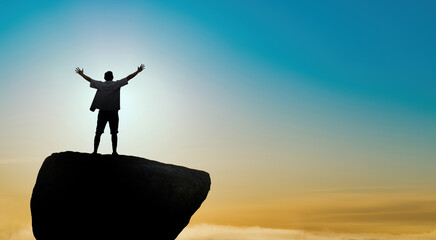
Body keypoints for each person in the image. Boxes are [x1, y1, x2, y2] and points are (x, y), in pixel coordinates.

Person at [75, 64, 145, 155]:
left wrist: (81, 74)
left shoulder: (101, 84)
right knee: (114, 133)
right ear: (112, 77)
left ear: (104, 77)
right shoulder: (116, 84)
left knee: (98, 133)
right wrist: (137, 72)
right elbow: (128, 78)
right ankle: (114, 152)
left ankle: (95, 151)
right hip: (113, 112)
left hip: (103, 112)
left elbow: (89, 79)